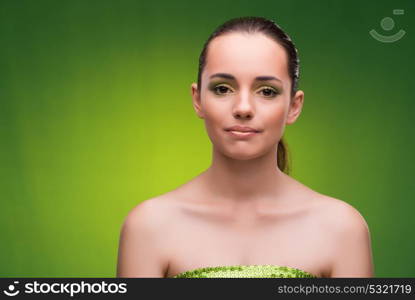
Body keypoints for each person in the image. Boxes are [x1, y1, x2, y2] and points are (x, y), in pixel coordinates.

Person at [116, 16, 374, 278]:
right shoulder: (149, 226)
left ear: (294, 107)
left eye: (267, 91)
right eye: (222, 88)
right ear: (198, 99)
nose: (243, 108)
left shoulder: (342, 229)